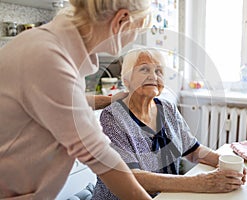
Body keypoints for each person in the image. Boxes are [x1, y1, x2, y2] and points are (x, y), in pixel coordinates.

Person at [0, 0, 153, 199]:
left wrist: (108, 100)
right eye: (137, 30)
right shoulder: (48, 56)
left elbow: (67, 100)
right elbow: (97, 153)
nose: (134, 37)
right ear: (121, 20)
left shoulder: (56, 46)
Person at [92, 49, 247, 199]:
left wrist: (227, 165)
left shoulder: (167, 108)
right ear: (126, 80)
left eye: (159, 71)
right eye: (144, 69)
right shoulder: (113, 117)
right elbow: (130, 177)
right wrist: (200, 182)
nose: (153, 76)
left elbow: (193, 150)